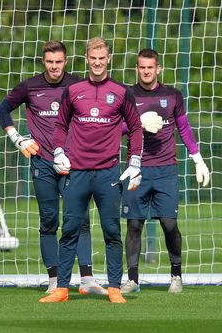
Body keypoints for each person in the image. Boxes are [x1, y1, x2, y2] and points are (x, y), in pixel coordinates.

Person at [0, 40, 106, 296]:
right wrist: (17, 138)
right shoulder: (30, 86)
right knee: (49, 221)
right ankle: (55, 280)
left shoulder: (78, 85)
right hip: (42, 163)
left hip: (74, 164)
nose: (54, 67)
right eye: (49, 62)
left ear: (65, 61)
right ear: (43, 61)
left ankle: (87, 279)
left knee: (80, 220)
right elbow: (1, 110)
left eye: (58, 62)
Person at [40, 37, 144, 304]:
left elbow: (135, 128)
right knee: (70, 228)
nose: (97, 63)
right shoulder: (73, 90)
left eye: (102, 58)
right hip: (77, 173)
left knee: (111, 231)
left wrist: (135, 162)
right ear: (86, 59)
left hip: (108, 173)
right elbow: (61, 125)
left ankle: (114, 289)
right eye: (93, 58)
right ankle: (61, 289)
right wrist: (59, 151)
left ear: (108, 59)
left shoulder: (121, 92)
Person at [120, 48, 210, 294]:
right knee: (134, 225)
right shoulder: (126, 94)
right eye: (141, 67)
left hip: (166, 170)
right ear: (136, 68)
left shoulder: (172, 96)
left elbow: (184, 128)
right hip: (136, 168)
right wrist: (137, 123)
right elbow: (115, 128)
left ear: (158, 68)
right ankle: (132, 280)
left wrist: (197, 159)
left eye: (150, 67)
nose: (146, 71)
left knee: (169, 224)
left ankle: (176, 276)